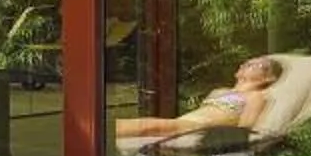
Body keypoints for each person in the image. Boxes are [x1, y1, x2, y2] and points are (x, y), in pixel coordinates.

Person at [114, 56, 283, 147]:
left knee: (146, 126)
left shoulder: (256, 97)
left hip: (199, 128)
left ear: (269, 78)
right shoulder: (221, 92)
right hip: (186, 123)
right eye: (247, 63)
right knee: (143, 126)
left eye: (258, 66)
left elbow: (245, 128)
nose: (247, 65)